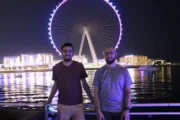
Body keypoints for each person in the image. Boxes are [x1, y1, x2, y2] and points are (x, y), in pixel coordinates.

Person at [45, 42, 94, 120]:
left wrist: (91, 99)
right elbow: (55, 85)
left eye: (69, 51)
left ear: (73, 53)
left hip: (78, 105)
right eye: (65, 51)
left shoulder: (79, 66)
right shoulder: (56, 67)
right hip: (62, 105)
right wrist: (49, 100)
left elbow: (84, 84)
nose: (67, 53)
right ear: (61, 53)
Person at [93, 47, 132, 120]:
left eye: (111, 53)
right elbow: (96, 93)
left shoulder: (123, 71)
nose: (109, 55)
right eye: (106, 53)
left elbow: (128, 91)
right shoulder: (99, 72)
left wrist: (126, 110)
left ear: (115, 54)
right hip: (104, 111)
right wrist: (98, 111)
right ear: (104, 55)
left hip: (121, 110)